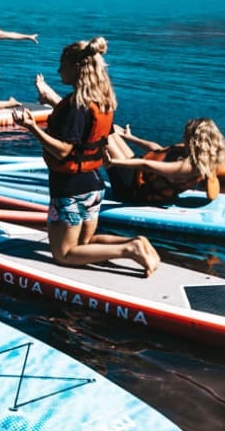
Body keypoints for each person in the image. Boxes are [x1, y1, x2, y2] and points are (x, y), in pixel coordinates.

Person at [12, 38, 160, 276]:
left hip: (70, 188)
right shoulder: (102, 102)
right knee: (84, 243)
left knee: (64, 254)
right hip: (93, 184)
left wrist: (32, 127)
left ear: (77, 67)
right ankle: (138, 242)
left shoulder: (76, 106)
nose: (59, 70)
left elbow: (63, 151)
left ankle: (130, 249)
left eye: (62, 64)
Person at [104, 117, 225, 205]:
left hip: (133, 191)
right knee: (111, 130)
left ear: (194, 140)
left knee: (103, 137)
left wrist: (113, 162)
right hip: (137, 177)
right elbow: (158, 149)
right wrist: (131, 138)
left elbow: (146, 165)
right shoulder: (194, 153)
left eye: (186, 134)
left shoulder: (189, 167)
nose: (183, 136)